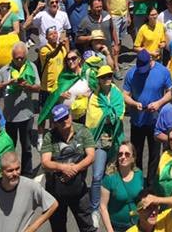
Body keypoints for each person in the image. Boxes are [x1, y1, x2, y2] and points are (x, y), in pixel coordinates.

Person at [0, 149, 58, 232]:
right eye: (10, 171)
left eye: (17, 168)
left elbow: (53, 204)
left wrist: (32, 228)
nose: (15, 173)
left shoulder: (31, 186)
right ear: (1, 171)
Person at [40, 103, 96, 232]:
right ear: (54, 122)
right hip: (55, 191)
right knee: (58, 226)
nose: (63, 121)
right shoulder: (49, 136)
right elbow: (45, 162)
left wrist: (74, 168)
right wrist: (63, 167)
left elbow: (91, 156)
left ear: (70, 116)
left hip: (79, 190)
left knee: (87, 226)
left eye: (65, 117)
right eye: (59, 120)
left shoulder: (83, 131)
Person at [0, 41, 40, 176]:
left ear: (26, 57)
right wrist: (7, 83)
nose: (19, 60)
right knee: (9, 148)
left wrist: (27, 86)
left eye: (21, 58)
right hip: (10, 117)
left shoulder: (32, 67)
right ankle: (10, 171)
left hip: (26, 116)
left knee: (27, 147)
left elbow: (38, 87)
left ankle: (27, 174)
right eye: (16, 58)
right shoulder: (5, 70)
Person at [123, 50, 172, 186]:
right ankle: (137, 182)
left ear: (151, 61)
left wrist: (159, 103)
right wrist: (134, 103)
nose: (142, 71)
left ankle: (151, 184)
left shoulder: (162, 72)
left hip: (155, 121)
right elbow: (125, 94)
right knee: (136, 153)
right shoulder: (132, 74)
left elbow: (170, 92)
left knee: (154, 154)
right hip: (137, 121)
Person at [86, 65, 126, 221]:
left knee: (113, 173)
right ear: (99, 80)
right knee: (97, 175)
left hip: (115, 139)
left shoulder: (117, 93)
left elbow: (120, 110)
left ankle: (111, 203)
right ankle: (95, 208)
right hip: (100, 140)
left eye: (109, 76)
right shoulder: (94, 98)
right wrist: (106, 116)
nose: (107, 79)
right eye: (104, 77)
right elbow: (92, 118)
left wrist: (111, 115)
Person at [100, 141, 144, 232]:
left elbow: (142, 199)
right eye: (120, 154)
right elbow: (102, 207)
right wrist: (110, 230)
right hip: (117, 227)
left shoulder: (139, 174)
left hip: (137, 224)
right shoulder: (109, 178)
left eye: (127, 154)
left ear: (133, 158)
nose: (123, 157)